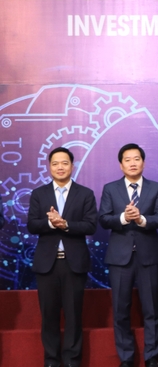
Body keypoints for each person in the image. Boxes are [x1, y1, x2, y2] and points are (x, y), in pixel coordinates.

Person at [28, 147, 98, 367]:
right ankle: (51, 360)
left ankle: (71, 361)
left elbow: (90, 225)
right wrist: (51, 223)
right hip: (47, 264)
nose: (60, 167)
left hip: (74, 264)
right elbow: (32, 224)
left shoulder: (85, 193)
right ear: (49, 167)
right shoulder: (39, 194)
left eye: (65, 163)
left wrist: (65, 224)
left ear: (72, 166)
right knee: (48, 316)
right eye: (55, 163)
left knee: (74, 315)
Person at [99, 144, 158, 367]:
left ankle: (152, 357)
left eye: (136, 158)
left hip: (148, 255)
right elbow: (104, 219)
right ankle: (126, 358)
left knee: (152, 309)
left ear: (143, 162)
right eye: (127, 159)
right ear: (121, 165)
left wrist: (141, 219)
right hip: (120, 257)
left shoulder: (156, 188)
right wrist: (124, 218)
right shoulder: (110, 189)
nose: (132, 163)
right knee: (120, 310)